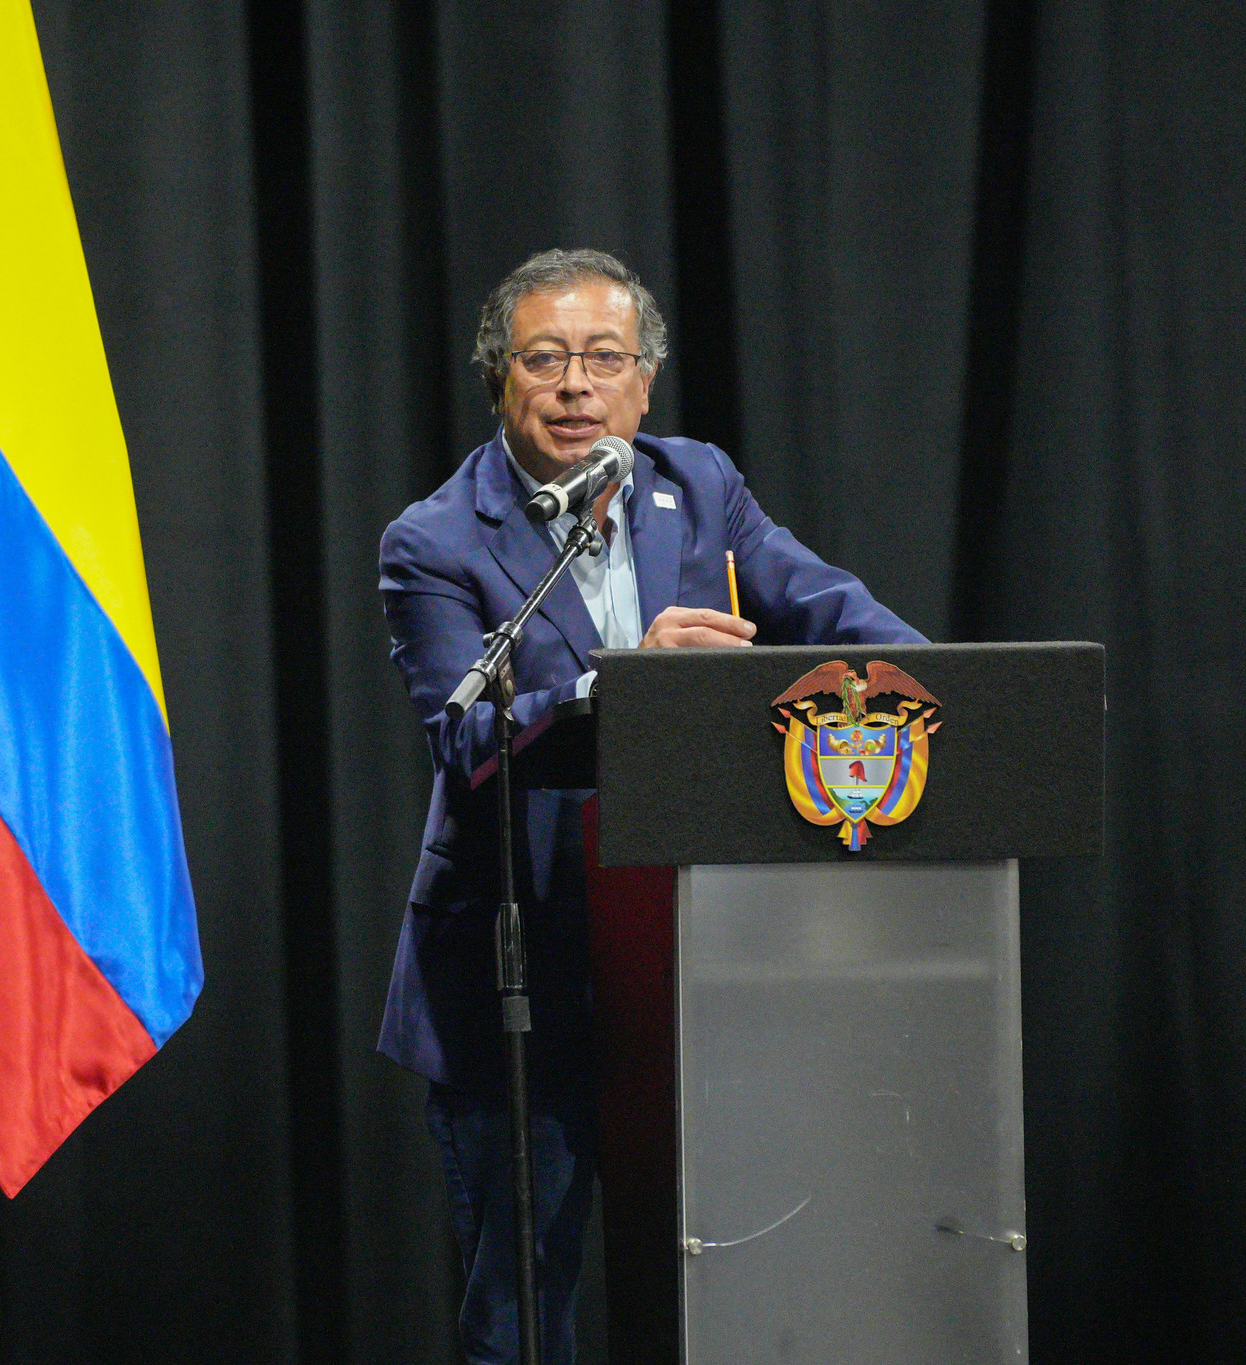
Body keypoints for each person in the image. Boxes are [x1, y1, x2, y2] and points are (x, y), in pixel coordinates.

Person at [377, 248, 925, 1364]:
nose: (576, 385)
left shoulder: (699, 484)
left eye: (602, 359)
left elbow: (823, 604)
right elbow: (462, 737)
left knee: (730, 1272)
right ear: (498, 381)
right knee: (521, 1306)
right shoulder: (435, 541)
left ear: (642, 383)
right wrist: (620, 678)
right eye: (544, 360)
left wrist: (938, 685)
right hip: (519, 966)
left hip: (703, 958)